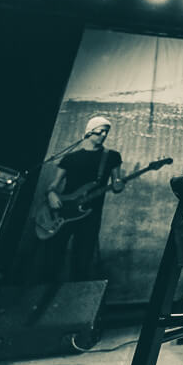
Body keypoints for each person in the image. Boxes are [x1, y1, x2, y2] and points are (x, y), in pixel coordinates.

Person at [40, 115, 124, 282]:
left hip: (91, 215)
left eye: (106, 132)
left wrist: (119, 184)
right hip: (63, 212)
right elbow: (53, 185)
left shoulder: (112, 156)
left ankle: (76, 294)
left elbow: (117, 185)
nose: (104, 135)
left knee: (82, 260)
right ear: (89, 131)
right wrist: (51, 195)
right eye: (101, 131)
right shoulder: (70, 158)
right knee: (52, 257)